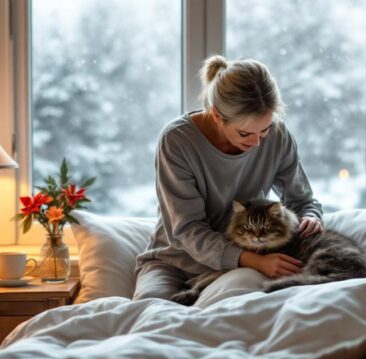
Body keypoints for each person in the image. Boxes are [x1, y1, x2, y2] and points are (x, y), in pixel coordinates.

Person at [133, 55, 323, 301]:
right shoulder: (177, 141)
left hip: (244, 261)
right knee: (150, 313)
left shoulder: (277, 136)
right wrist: (253, 261)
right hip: (176, 261)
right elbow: (189, 229)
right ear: (216, 116)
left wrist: (310, 217)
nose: (256, 143)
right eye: (245, 133)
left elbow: (302, 201)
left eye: (264, 131)